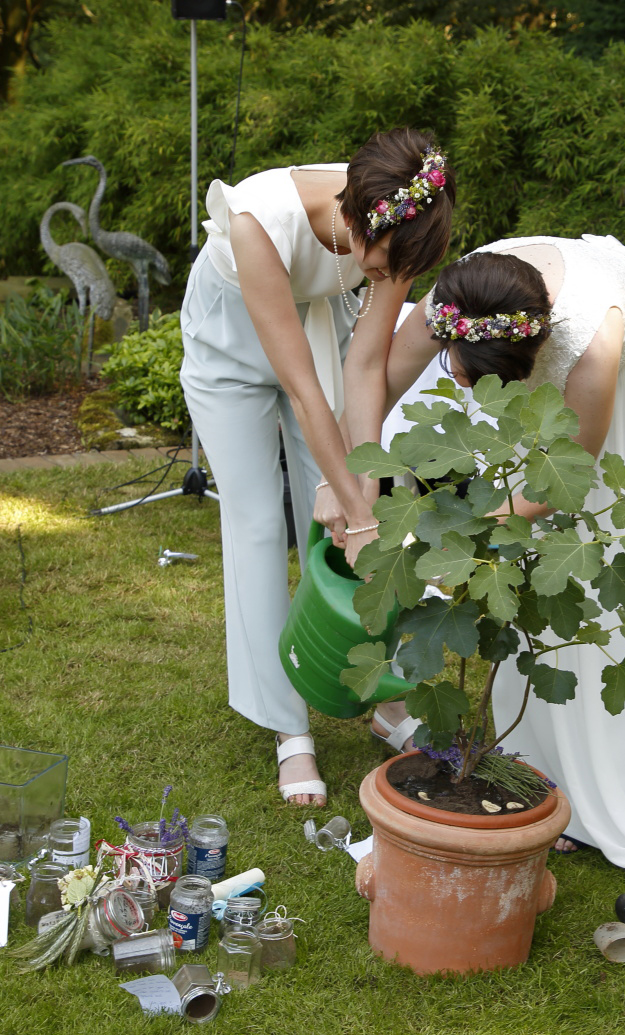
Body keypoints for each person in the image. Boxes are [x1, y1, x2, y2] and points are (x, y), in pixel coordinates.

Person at [376, 235, 625, 891]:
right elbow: (377, 379)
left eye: (469, 379)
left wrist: (459, 534)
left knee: (589, 555)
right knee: (531, 558)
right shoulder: (456, 301)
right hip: (545, 348)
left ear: (527, 360)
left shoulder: (590, 343)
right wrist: (364, 490)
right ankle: (539, 756)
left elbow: (565, 481)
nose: (458, 385)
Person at [180, 129, 454, 806]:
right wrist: (356, 514)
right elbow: (303, 391)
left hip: (323, 330)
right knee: (256, 527)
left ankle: (383, 701)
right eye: (382, 266)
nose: (386, 277)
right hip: (229, 344)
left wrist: (360, 487)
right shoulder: (257, 222)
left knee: (362, 502)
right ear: (357, 223)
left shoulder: (403, 220)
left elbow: (363, 367)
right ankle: (288, 727)